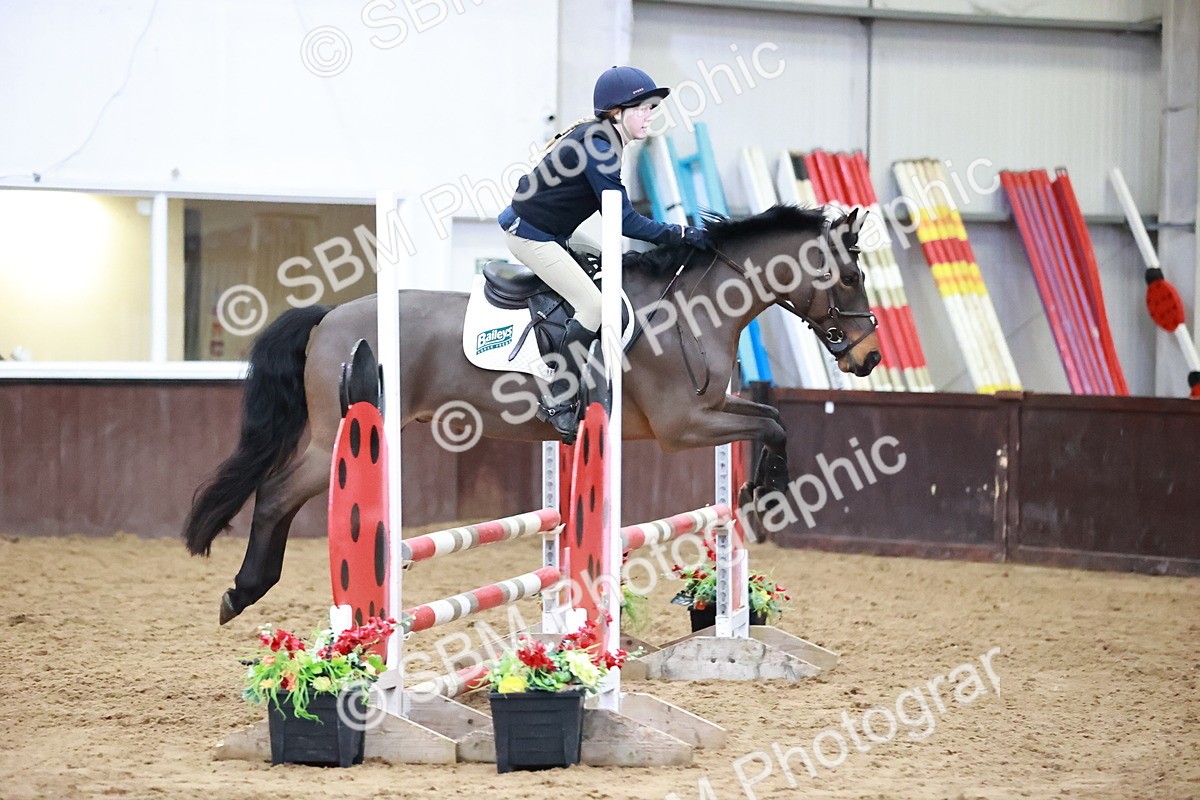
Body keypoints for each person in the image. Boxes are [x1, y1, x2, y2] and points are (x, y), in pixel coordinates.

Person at [497, 65, 711, 442]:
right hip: (530, 236)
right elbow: (624, 221)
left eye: (652, 109)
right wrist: (680, 233)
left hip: (554, 230)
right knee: (594, 307)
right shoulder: (600, 146)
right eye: (644, 108)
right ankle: (560, 397)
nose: (650, 117)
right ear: (618, 111)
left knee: (610, 268)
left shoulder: (603, 138)